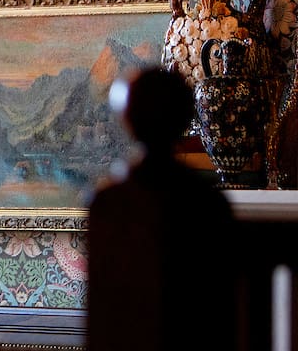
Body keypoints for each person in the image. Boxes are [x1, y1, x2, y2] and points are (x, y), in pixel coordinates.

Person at [88, 66, 238, 350]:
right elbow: (219, 308)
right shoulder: (208, 202)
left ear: (127, 119)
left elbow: (105, 314)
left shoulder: (109, 203)